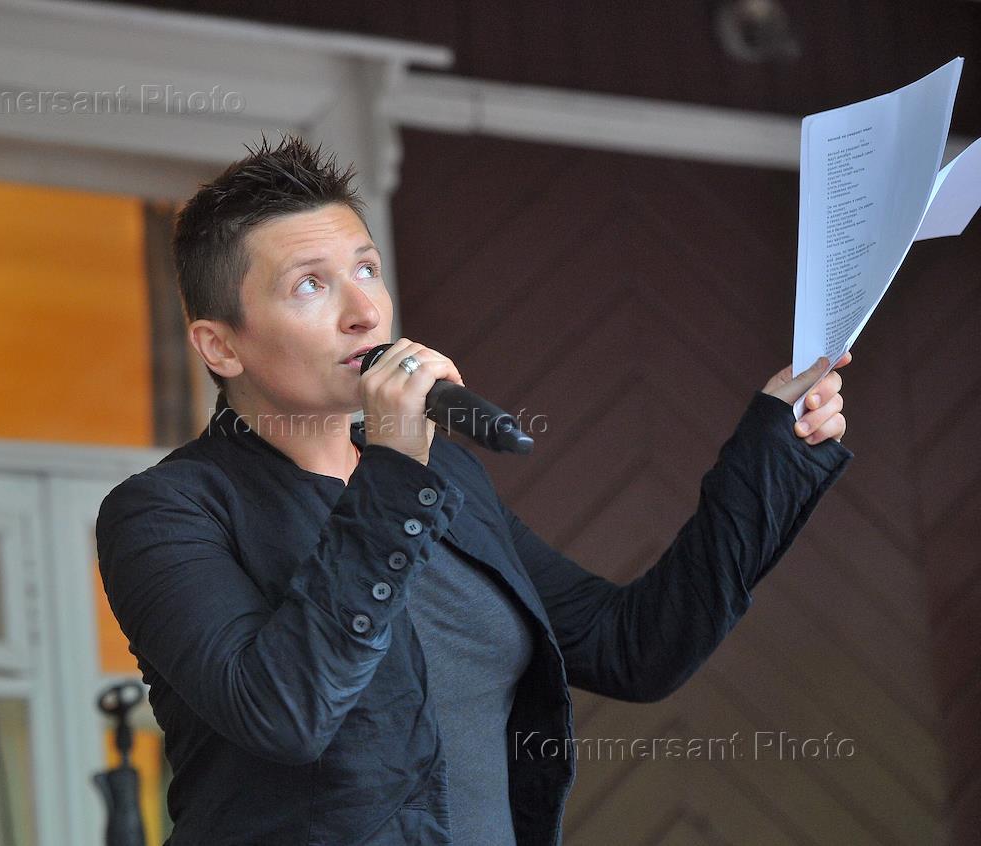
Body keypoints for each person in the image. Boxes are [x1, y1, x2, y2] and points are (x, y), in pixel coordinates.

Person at [95, 134, 852, 846]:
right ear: (221, 345)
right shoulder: (165, 513)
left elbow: (634, 647)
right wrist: (394, 467)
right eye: (310, 285)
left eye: (366, 269)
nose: (365, 312)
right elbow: (286, 713)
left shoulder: (444, 477)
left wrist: (771, 454)